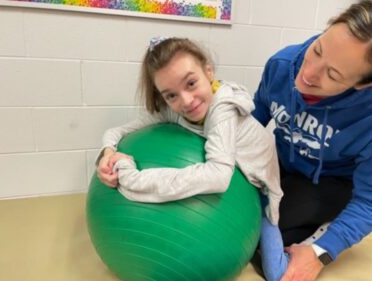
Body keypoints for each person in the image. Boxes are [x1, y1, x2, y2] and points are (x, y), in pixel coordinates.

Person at [96, 36, 284, 275]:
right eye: (170, 95)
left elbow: (218, 177)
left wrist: (133, 178)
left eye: (191, 83)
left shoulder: (222, 110)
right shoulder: (178, 111)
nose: (186, 101)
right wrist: (108, 153)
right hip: (237, 173)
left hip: (259, 190)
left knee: (277, 274)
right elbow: (118, 131)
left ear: (208, 71)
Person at [251, 0, 372, 280]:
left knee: (270, 232)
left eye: (332, 74)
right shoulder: (281, 65)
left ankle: (326, 226)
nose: (308, 74)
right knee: (241, 219)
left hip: (331, 185)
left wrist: (322, 252)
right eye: (317, 49)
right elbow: (254, 121)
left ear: (364, 83)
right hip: (280, 167)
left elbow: (368, 202)